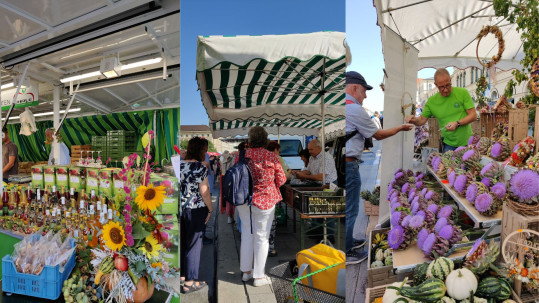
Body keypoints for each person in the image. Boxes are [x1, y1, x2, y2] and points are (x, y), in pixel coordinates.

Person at [345, 71, 413, 264]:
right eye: (364, 91)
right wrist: (400, 127)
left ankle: (350, 241)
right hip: (349, 166)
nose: (365, 96)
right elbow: (379, 135)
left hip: (348, 164)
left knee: (350, 207)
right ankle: (348, 252)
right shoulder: (353, 109)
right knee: (350, 209)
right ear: (354, 88)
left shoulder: (345, 106)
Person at [238, 126, 286, 287]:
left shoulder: (243, 155)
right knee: (262, 238)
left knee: (247, 234)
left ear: (250, 139)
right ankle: (259, 276)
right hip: (265, 200)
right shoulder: (271, 156)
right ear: (265, 139)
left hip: (244, 200)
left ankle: (246, 272)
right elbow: (281, 180)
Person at [406, 68, 477, 152]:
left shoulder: (462, 93)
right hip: (448, 144)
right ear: (436, 84)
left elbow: (473, 116)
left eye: (447, 85)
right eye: (441, 87)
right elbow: (421, 120)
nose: (445, 89)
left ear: (450, 80)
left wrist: (457, 123)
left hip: (467, 142)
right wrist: (414, 120)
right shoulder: (432, 101)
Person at [179, 137, 213, 294]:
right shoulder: (200, 167)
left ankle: (182, 276)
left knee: (184, 243)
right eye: (204, 150)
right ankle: (190, 282)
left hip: (181, 209)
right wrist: (211, 209)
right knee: (194, 245)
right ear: (201, 151)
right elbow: (204, 192)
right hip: (197, 210)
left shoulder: (179, 165)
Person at [266, 141, 288, 257]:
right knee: (271, 221)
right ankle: (270, 247)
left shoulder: (251, 157)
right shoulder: (276, 158)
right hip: (271, 195)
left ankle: (260, 247)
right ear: (275, 149)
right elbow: (282, 179)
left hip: (254, 197)